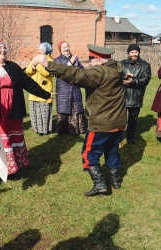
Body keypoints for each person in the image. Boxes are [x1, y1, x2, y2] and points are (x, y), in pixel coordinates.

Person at [33, 44, 127, 196]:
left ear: (100, 60)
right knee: (112, 151)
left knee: (89, 154)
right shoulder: (117, 68)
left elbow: (75, 74)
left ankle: (100, 184)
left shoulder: (99, 72)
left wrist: (48, 64)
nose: (90, 63)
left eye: (92, 59)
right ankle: (115, 181)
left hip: (101, 123)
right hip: (119, 122)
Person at [0, 39, 54, 186]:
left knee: (12, 138)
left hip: (13, 108)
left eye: (4, 48)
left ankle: (12, 168)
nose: (3, 50)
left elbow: (28, 84)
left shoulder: (13, 67)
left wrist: (46, 94)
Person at [120, 44, 151, 145]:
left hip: (136, 96)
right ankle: (118, 136)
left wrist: (132, 81)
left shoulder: (145, 65)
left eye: (136, 52)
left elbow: (145, 80)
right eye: (132, 52)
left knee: (133, 119)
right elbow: (115, 77)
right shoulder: (121, 64)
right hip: (122, 96)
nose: (134, 54)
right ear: (128, 53)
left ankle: (130, 137)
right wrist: (124, 78)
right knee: (120, 118)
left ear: (139, 52)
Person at [54, 41, 86, 135]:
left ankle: (76, 129)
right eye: (63, 47)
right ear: (60, 49)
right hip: (63, 87)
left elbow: (82, 69)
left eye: (67, 46)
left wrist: (77, 66)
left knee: (76, 106)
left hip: (74, 86)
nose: (66, 49)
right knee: (64, 107)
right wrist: (71, 62)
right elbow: (61, 72)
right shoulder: (57, 60)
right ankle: (63, 129)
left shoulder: (76, 58)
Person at [25, 42, 54, 136]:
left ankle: (44, 130)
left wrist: (36, 64)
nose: (37, 50)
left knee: (43, 113)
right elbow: (28, 71)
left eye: (40, 49)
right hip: (34, 91)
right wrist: (33, 66)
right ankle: (36, 129)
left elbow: (46, 72)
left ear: (45, 50)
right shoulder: (36, 59)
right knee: (34, 112)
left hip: (44, 90)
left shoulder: (50, 61)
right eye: (37, 49)